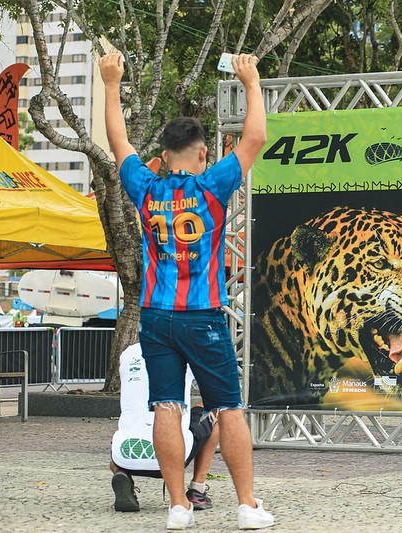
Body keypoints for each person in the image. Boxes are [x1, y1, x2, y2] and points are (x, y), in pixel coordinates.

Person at [101, 50, 273, 530]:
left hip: (155, 315)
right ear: (202, 153)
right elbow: (255, 136)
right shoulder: (213, 186)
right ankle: (246, 505)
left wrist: (111, 82)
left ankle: (178, 506)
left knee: (166, 406)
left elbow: (118, 141)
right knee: (228, 408)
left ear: (163, 155)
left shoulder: (145, 187)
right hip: (204, 315)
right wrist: (252, 80)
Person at [110, 343, 219, 513]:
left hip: (125, 453)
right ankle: (197, 490)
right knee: (212, 408)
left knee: (132, 420)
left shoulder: (128, 353)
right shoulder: (185, 350)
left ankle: (122, 474)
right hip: (171, 457)